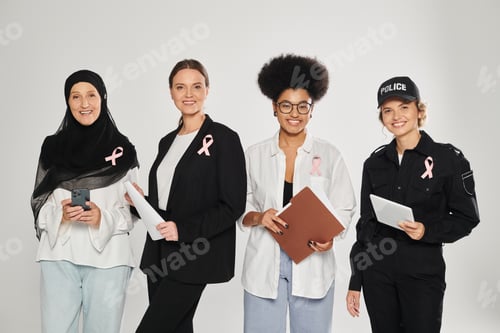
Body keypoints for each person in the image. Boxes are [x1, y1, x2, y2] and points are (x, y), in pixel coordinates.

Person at [346, 76, 480, 333]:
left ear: (419, 110)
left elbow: (467, 217)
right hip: (378, 275)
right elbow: (365, 226)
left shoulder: (448, 159)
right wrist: (356, 280)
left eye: (404, 107)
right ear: (381, 117)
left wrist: (426, 231)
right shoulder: (374, 164)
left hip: (422, 275)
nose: (396, 116)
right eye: (388, 110)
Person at [239, 54, 356, 332]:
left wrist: (330, 237)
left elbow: (345, 206)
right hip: (264, 266)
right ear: (274, 108)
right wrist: (259, 217)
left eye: (302, 106)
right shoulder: (255, 155)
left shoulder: (329, 154)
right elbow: (239, 205)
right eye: (286, 106)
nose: (295, 114)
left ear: (311, 108)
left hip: (313, 267)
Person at [133, 59, 247, 333]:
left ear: (207, 90)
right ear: (171, 93)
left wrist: (182, 230)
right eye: (180, 87)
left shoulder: (223, 138)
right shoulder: (167, 141)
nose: (189, 94)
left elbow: (232, 205)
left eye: (196, 86)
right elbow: (170, 202)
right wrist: (139, 202)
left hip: (194, 254)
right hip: (159, 254)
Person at [31, 69, 140, 333]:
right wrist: (61, 215)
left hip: (109, 259)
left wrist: (103, 217)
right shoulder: (52, 147)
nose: (84, 104)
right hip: (60, 255)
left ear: (102, 97)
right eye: (75, 96)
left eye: (91, 95)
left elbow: (132, 211)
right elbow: (39, 202)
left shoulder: (123, 150)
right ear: (67, 102)